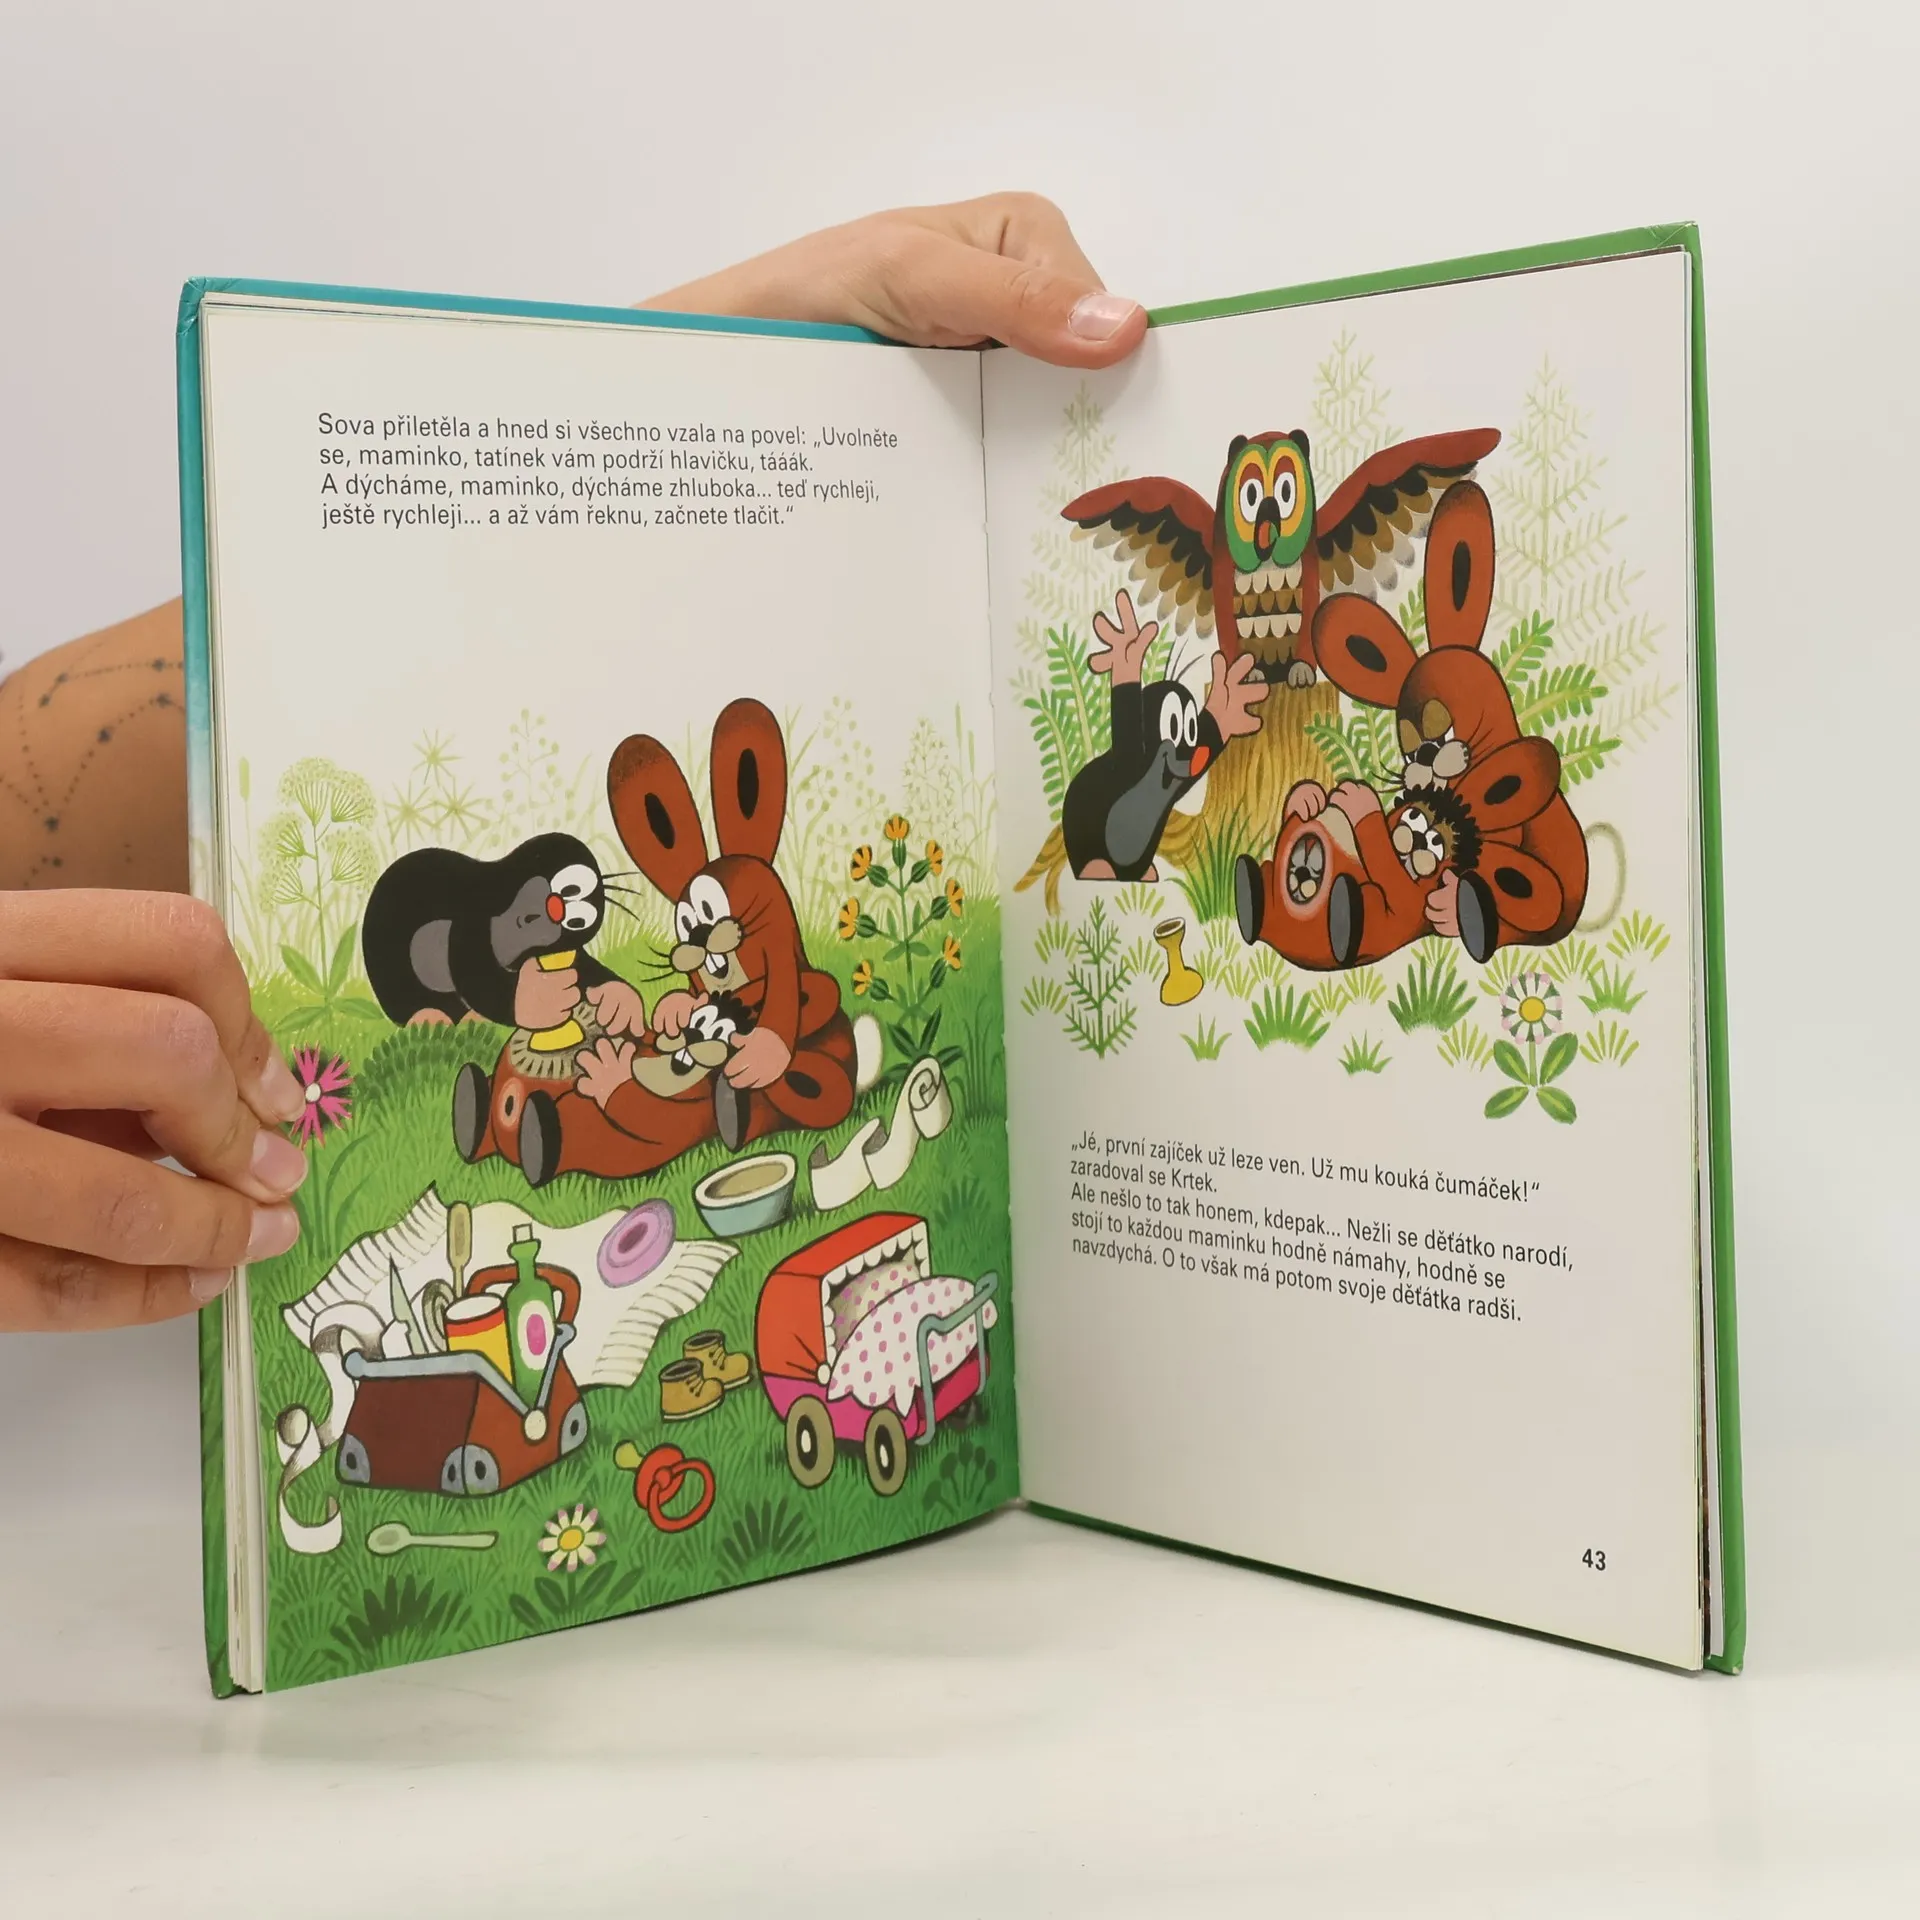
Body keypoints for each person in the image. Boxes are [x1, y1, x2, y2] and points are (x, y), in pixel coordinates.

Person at [0, 194, 1148, 1334]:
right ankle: (520, 1120)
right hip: (576, 1079)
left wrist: (656, 387)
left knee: (670, 1100)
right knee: (628, 1092)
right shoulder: (522, 945)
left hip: (692, 1074)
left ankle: (569, 1125)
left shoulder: (730, 962)